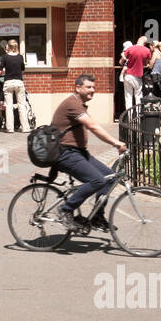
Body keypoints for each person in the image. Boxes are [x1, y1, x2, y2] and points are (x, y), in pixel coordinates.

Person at [50, 75, 128, 230]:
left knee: (110, 179)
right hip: (65, 153)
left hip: (78, 153)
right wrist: (115, 143)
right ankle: (65, 209)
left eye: (93, 87)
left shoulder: (80, 104)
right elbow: (93, 126)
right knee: (97, 180)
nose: (93, 90)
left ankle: (97, 216)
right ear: (78, 88)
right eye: (88, 87)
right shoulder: (72, 104)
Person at [0, 39, 29, 133]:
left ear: (8, 47)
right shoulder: (20, 57)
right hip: (19, 82)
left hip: (8, 82)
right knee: (21, 105)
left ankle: (10, 128)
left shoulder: (5, 57)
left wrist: (2, 71)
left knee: (9, 106)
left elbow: (0, 70)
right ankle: (25, 128)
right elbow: (23, 69)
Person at [119, 36, 151, 119]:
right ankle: (138, 117)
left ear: (138, 40)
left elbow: (121, 61)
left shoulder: (130, 49)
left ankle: (129, 117)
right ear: (145, 43)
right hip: (138, 76)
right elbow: (146, 64)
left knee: (128, 97)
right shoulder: (147, 51)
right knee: (138, 96)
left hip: (128, 75)